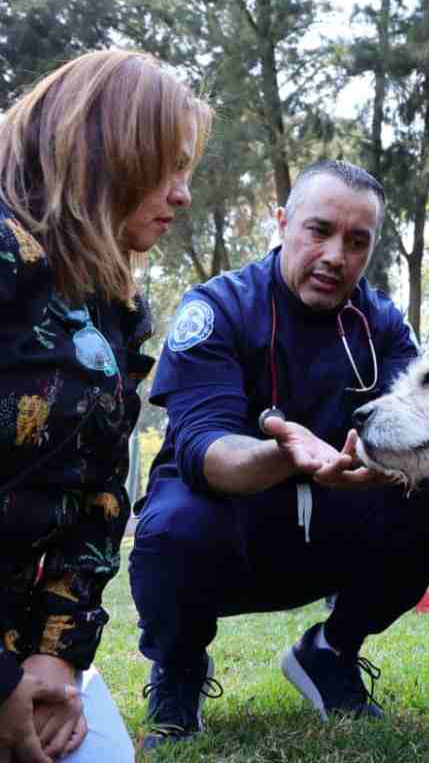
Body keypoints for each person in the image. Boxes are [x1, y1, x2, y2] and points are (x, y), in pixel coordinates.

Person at [129, 160, 429, 749]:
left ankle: (331, 652)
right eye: (318, 231)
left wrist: (382, 466)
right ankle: (178, 670)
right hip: (225, 528)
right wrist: (288, 454)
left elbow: (422, 427)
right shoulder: (218, 307)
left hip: (329, 523)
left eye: (357, 241)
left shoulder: (380, 323)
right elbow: (206, 452)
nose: (335, 255)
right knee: (171, 524)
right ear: (282, 223)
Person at [0, 49, 210, 763]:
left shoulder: (110, 304)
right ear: (103, 150)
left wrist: (54, 658)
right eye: (167, 165)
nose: (183, 194)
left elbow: (96, 499)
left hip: (26, 652)